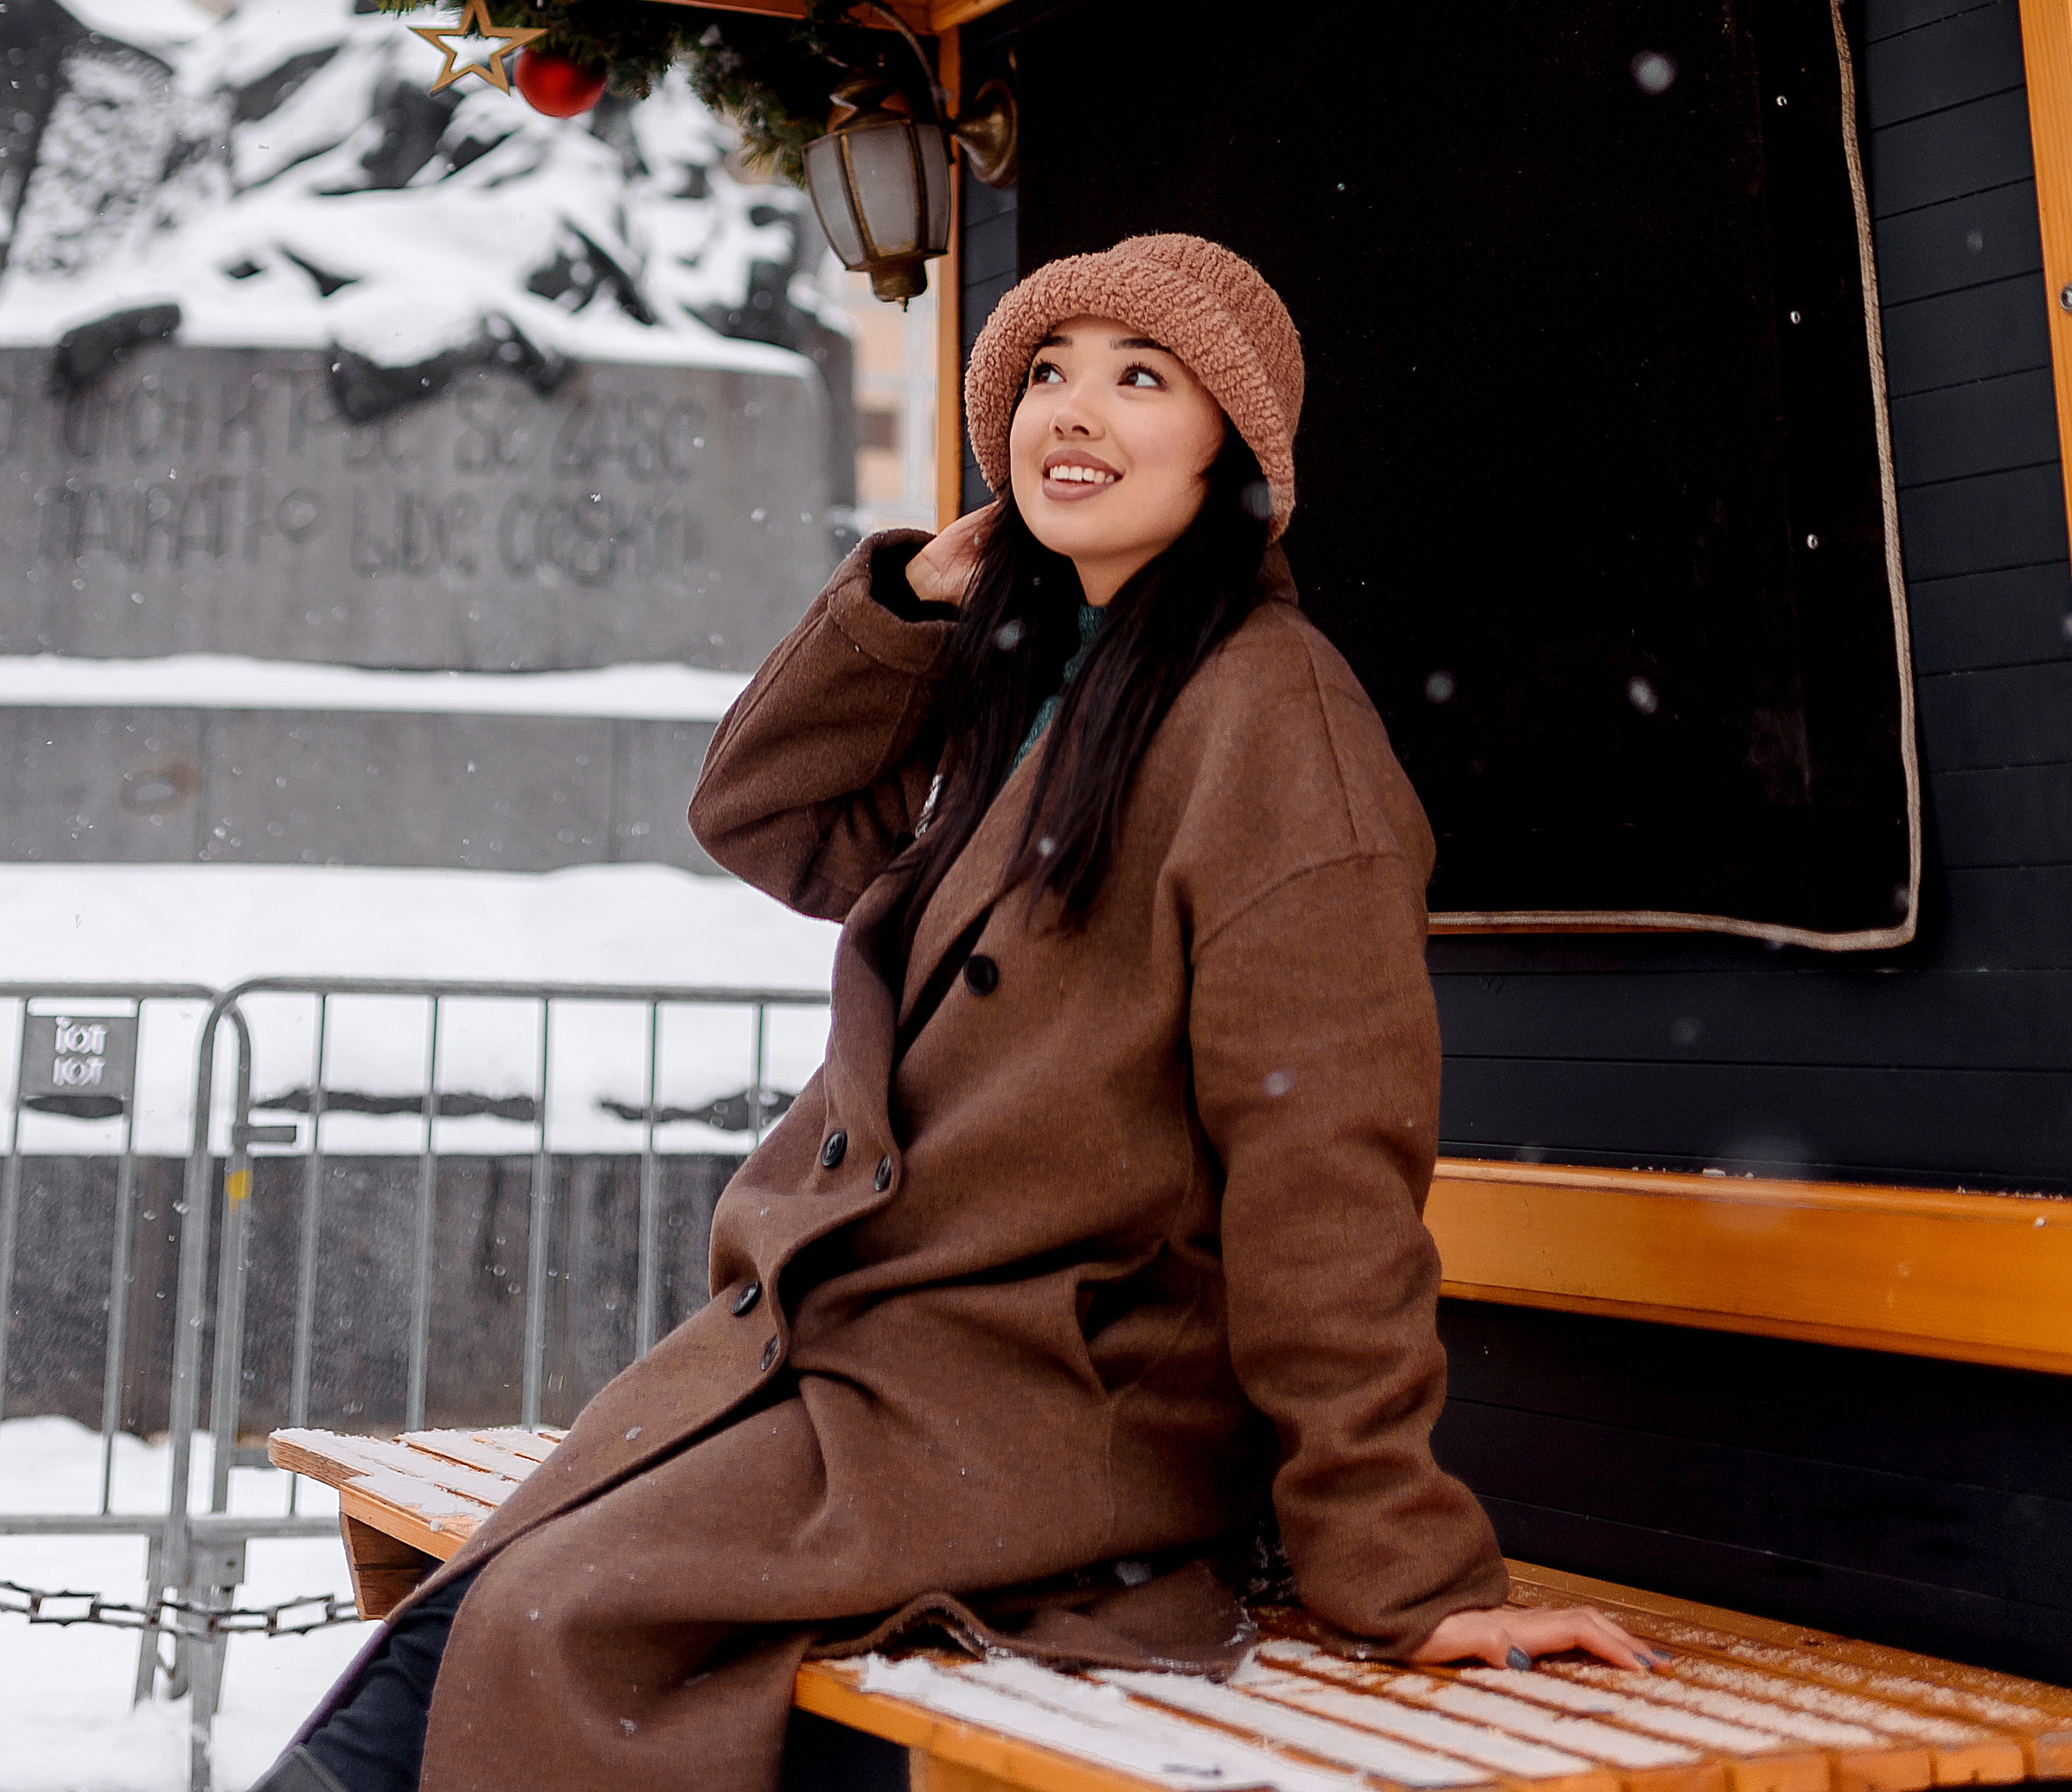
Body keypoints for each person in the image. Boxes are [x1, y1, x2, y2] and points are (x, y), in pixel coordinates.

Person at [261, 233, 1652, 1792]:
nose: (1078, 410)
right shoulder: (1045, 682)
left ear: (1236, 447)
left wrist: (1399, 1568)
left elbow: (1323, 1170)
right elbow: (763, 811)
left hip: (1058, 1392)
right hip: (879, 1356)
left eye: (1144, 378)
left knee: (553, 1616)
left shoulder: (1274, 717)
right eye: (1047, 374)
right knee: (498, 1606)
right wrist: (911, 598)